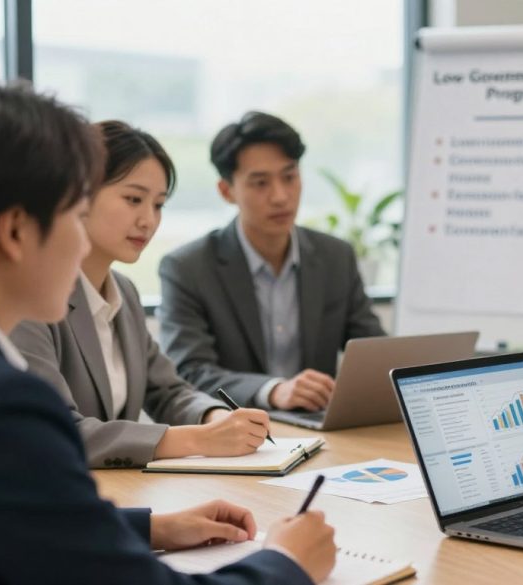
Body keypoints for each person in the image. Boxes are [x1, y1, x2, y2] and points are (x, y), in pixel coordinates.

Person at [0, 78, 336, 584]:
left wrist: (150, 527)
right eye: (74, 212)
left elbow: (13, 520)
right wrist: (286, 563)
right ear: (14, 230)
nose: (147, 222)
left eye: (158, 204)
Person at [11, 121, 271, 469]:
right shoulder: (29, 296)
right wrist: (196, 439)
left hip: (119, 493)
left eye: (159, 204)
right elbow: (54, 430)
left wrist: (213, 417)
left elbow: (167, 391)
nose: (148, 220)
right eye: (133, 199)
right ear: (79, 195)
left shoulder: (126, 293)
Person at [157, 111, 385, 411]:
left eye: (289, 177)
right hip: (237, 434)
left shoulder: (335, 257)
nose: (280, 196)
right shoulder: (188, 268)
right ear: (227, 192)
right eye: (260, 183)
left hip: (321, 432)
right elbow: (191, 371)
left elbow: (375, 355)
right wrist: (273, 391)